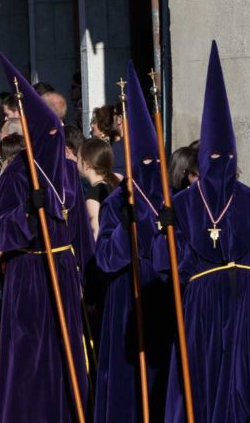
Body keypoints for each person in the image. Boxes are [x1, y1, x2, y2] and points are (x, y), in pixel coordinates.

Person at [155, 42, 250, 422]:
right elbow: (169, 266)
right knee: (205, 384)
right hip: (204, 309)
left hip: (246, 307)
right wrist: (165, 231)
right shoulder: (182, 204)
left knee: (242, 391)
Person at [0, 55, 92, 423]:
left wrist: (85, 272)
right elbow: (1, 232)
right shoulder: (15, 173)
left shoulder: (68, 170)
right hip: (29, 270)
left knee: (63, 346)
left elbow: (80, 225)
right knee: (30, 348)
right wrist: (26, 215)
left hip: (64, 268)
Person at [93, 64, 172, 423]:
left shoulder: (175, 199)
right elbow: (106, 259)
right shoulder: (115, 202)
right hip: (128, 301)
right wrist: (126, 229)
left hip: (166, 300)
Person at [78, 137, 119, 240]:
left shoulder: (93, 196)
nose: (76, 162)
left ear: (86, 164)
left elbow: (96, 233)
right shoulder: (113, 186)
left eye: (78, 159)